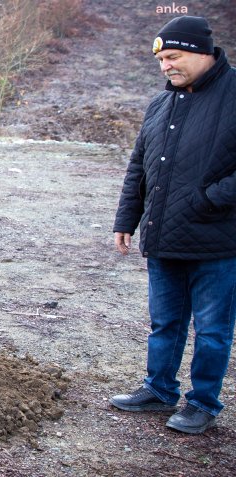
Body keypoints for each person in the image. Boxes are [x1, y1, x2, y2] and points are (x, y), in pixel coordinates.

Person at [110, 16, 236, 435]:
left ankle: (203, 403)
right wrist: (128, 218)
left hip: (218, 240)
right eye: (162, 59)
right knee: (164, 322)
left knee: (213, 330)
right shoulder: (162, 103)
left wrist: (207, 200)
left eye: (173, 57)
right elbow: (138, 167)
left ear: (202, 52)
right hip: (164, 237)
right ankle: (159, 388)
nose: (166, 66)